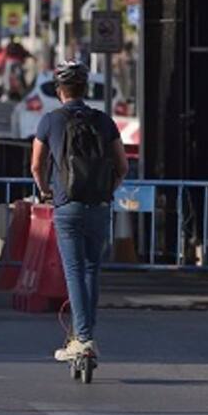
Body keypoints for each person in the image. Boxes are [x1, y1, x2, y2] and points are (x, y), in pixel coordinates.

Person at [30, 60, 128, 364]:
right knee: (91, 270)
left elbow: (35, 165)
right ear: (85, 89)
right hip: (99, 205)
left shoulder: (50, 121)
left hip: (67, 205)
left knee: (73, 270)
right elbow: (122, 166)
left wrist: (46, 190)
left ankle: (82, 338)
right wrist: (107, 190)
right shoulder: (104, 121)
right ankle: (86, 335)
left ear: (59, 91)